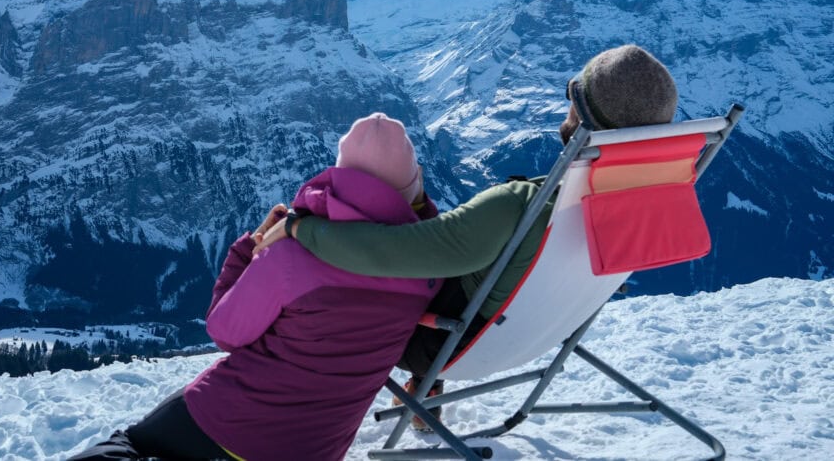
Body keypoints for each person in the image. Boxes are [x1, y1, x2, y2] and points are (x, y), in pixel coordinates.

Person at [254, 45, 679, 428]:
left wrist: (300, 227)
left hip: (453, 345)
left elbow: (390, 252)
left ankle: (271, 411)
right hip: (546, 332)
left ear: (582, 114)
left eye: (572, 94)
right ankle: (424, 388)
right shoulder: (642, 203)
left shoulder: (518, 207)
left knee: (327, 288)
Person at [67, 113, 442, 461]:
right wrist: (417, 210)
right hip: (314, 451)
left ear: (338, 178)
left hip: (225, 423)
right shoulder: (427, 272)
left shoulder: (292, 257)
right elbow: (424, 230)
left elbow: (225, 331)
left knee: (127, 446)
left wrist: (252, 246)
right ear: (413, 190)